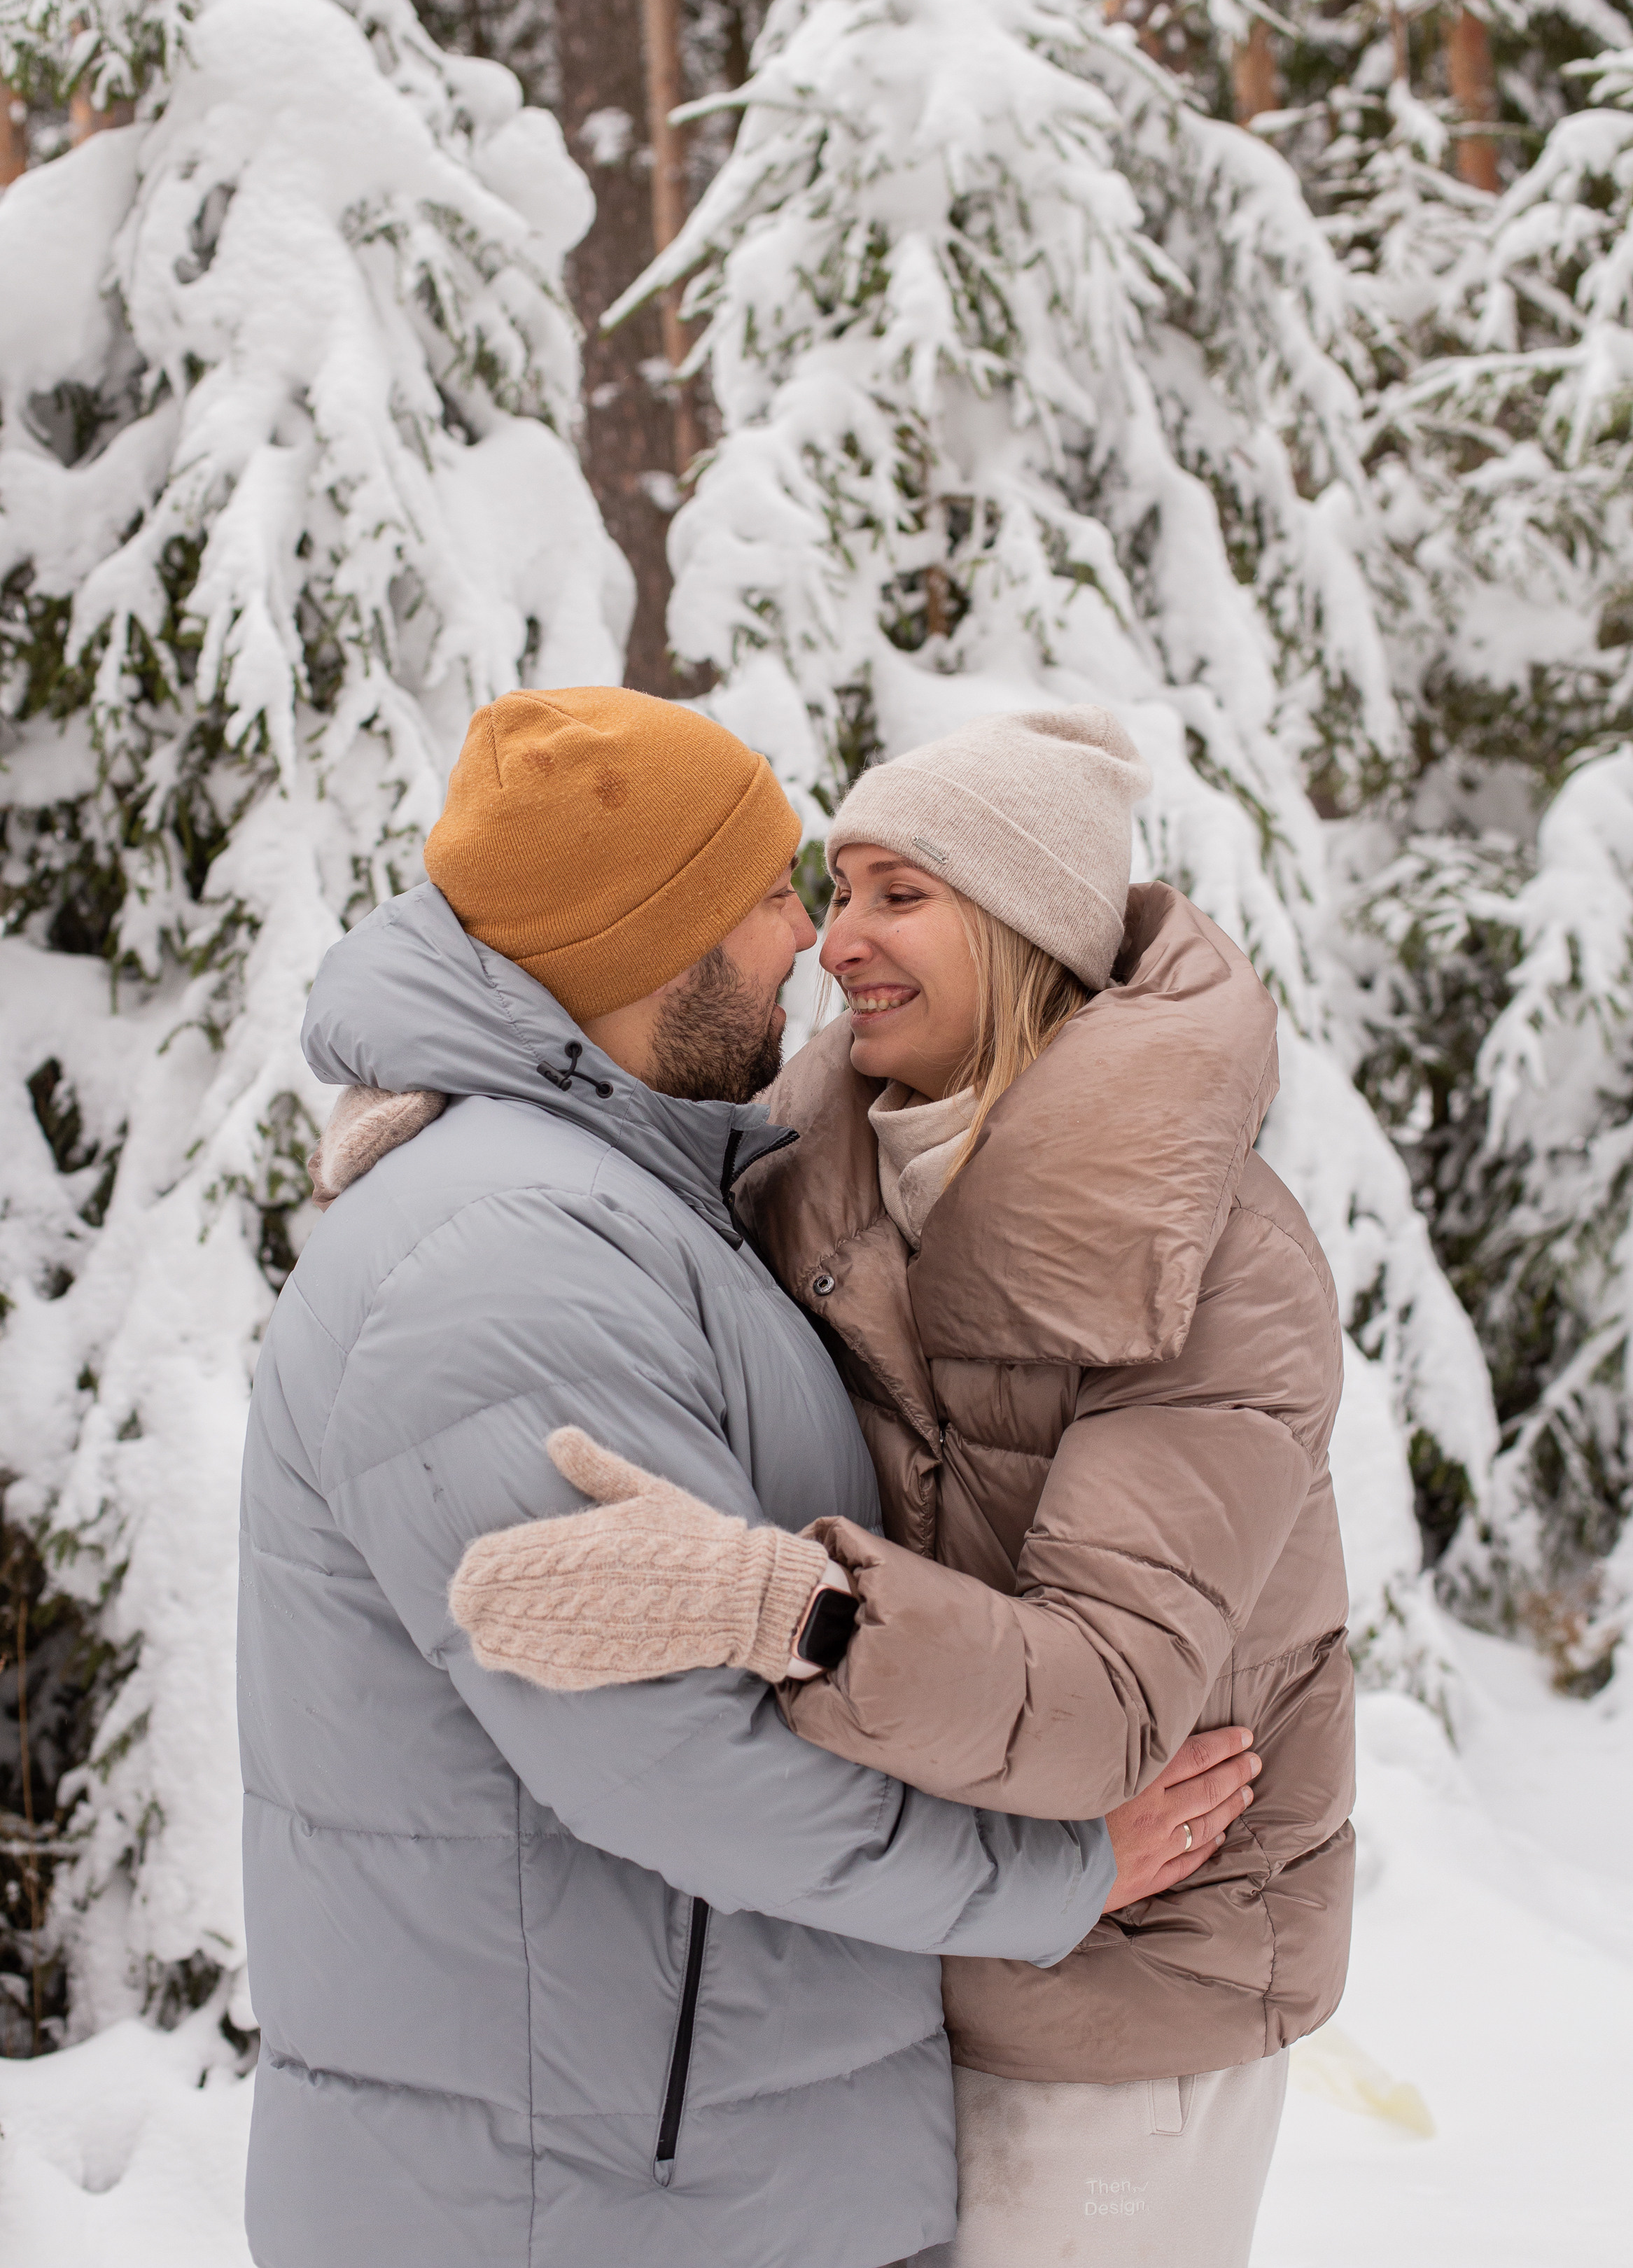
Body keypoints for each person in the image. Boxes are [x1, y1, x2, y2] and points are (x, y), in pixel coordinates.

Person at [238, 686, 1258, 2268]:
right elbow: (675, 1756)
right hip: (589, 2201)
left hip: (658, 2172)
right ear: (655, 938)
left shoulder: (616, 1205)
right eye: (775, 893)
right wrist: (1057, 1872)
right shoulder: (510, 1260)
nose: (810, 942)